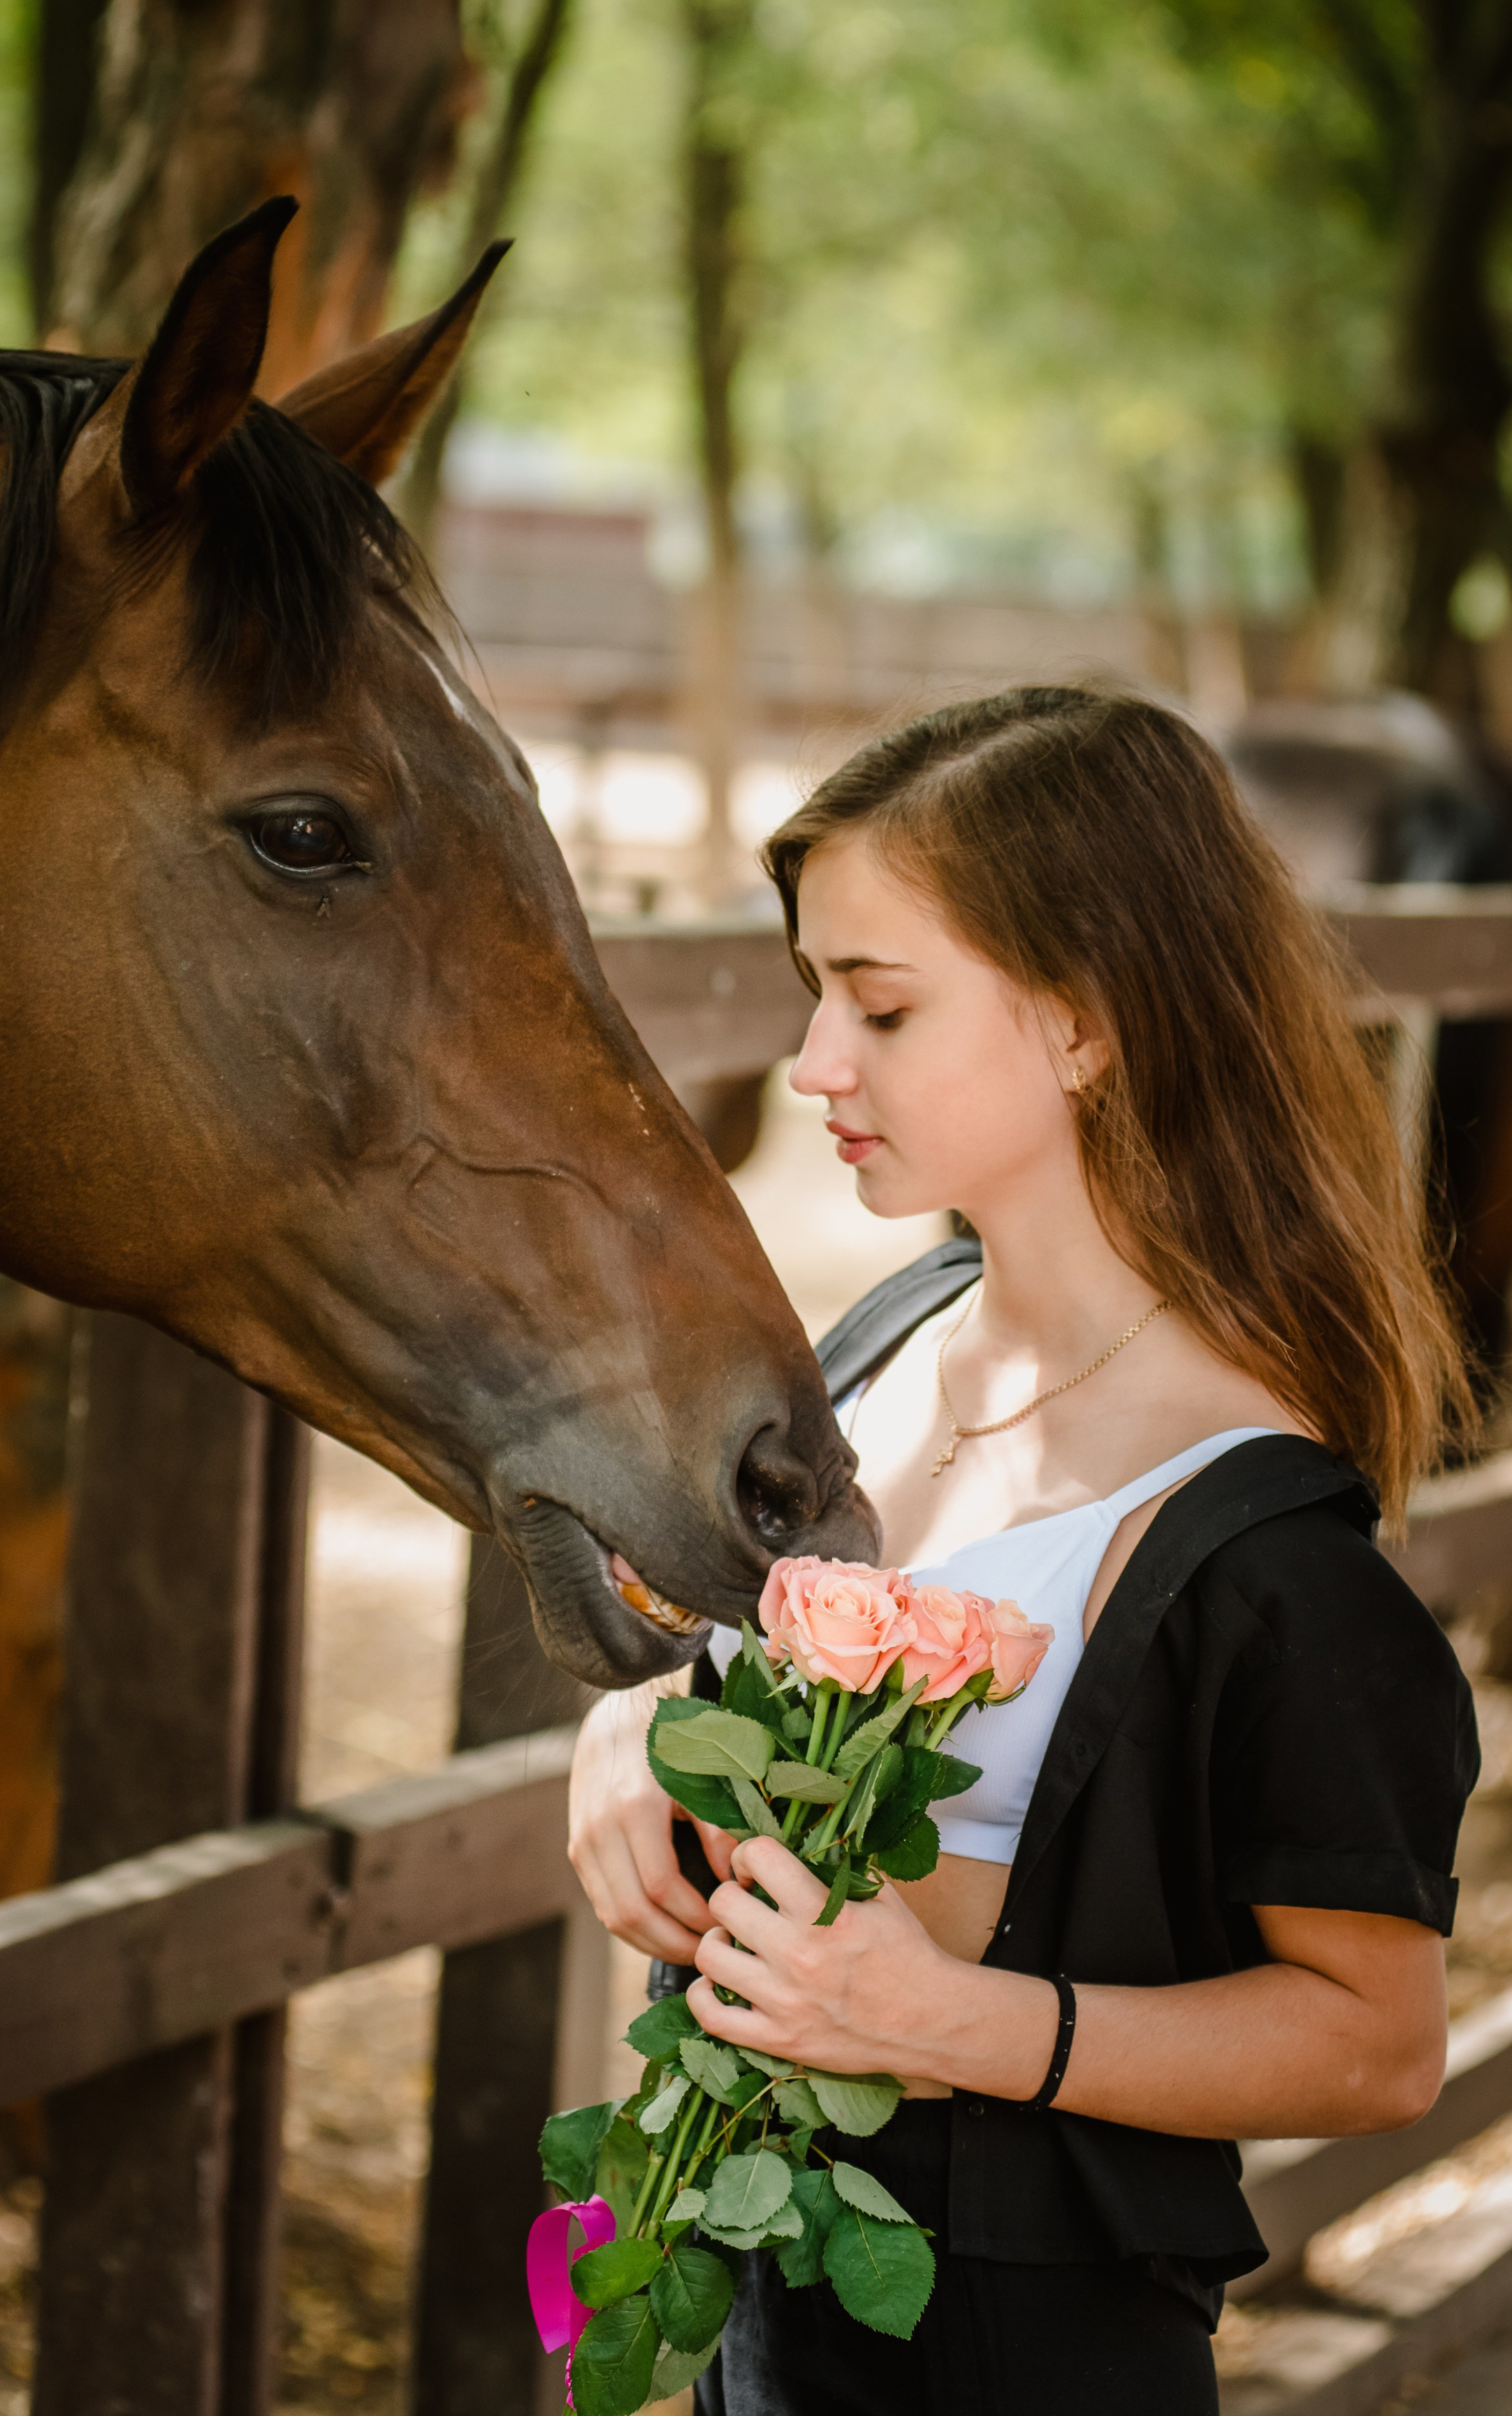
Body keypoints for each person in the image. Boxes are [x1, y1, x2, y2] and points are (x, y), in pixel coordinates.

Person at [567, 687, 1481, 2415]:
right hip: (753, 2327)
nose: (814, 1064)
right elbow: (745, 1669)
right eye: (813, 992)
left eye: (880, 1005)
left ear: (1079, 1023)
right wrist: (631, 1733)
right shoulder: (879, 1337)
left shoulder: (1259, 1537)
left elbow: (1375, 2040)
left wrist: (952, 2027)